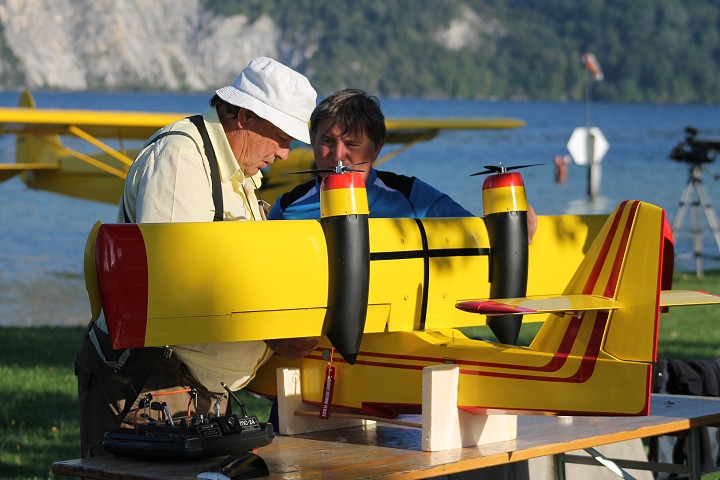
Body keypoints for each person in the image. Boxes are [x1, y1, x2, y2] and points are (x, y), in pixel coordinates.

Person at [75, 57, 319, 457]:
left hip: (189, 385)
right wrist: (272, 331)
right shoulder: (181, 159)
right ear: (242, 116)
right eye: (280, 136)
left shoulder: (234, 169)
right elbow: (177, 286)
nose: (284, 155)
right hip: (149, 380)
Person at [268, 88, 537, 244]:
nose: (338, 155)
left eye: (352, 144)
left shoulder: (411, 195)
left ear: (377, 148)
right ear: (311, 142)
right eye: (326, 141)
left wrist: (513, 227)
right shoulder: (287, 205)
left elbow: (476, 235)